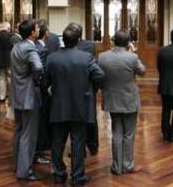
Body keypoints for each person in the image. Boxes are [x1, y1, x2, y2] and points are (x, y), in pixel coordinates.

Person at [46, 25, 104, 185]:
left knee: (57, 142)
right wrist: (91, 89)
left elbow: (45, 80)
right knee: (78, 142)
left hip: (58, 105)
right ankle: (78, 176)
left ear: (63, 40)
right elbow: (99, 75)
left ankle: (59, 173)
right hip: (80, 106)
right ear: (78, 40)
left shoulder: (52, 57)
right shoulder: (86, 57)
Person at [98, 29, 146, 175]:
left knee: (116, 132)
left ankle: (116, 166)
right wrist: (133, 52)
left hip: (112, 99)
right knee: (129, 134)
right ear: (128, 43)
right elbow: (142, 71)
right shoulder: (132, 57)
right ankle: (127, 165)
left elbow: (99, 76)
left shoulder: (102, 57)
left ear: (113, 41)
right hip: (129, 100)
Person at [10, 19, 44, 181]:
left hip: (17, 95)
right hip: (29, 96)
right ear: (32, 33)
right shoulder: (31, 48)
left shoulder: (16, 46)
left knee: (18, 130)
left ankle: (17, 164)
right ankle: (24, 171)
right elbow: (38, 67)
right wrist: (37, 80)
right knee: (28, 135)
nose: (39, 30)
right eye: (37, 29)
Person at [67, 22, 99, 156]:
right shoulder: (90, 45)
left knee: (75, 119)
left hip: (71, 87)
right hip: (88, 86)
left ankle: (79, 149)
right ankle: (93, 146)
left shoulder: (67, 47)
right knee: (90, 118)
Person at [34, 20, 52, 164]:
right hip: (40, 92)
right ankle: (39, 151)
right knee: (40, 121)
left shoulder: (34, 46)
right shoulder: (42, 49)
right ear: (45, 33)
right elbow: (42, 72)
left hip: (35, 91)